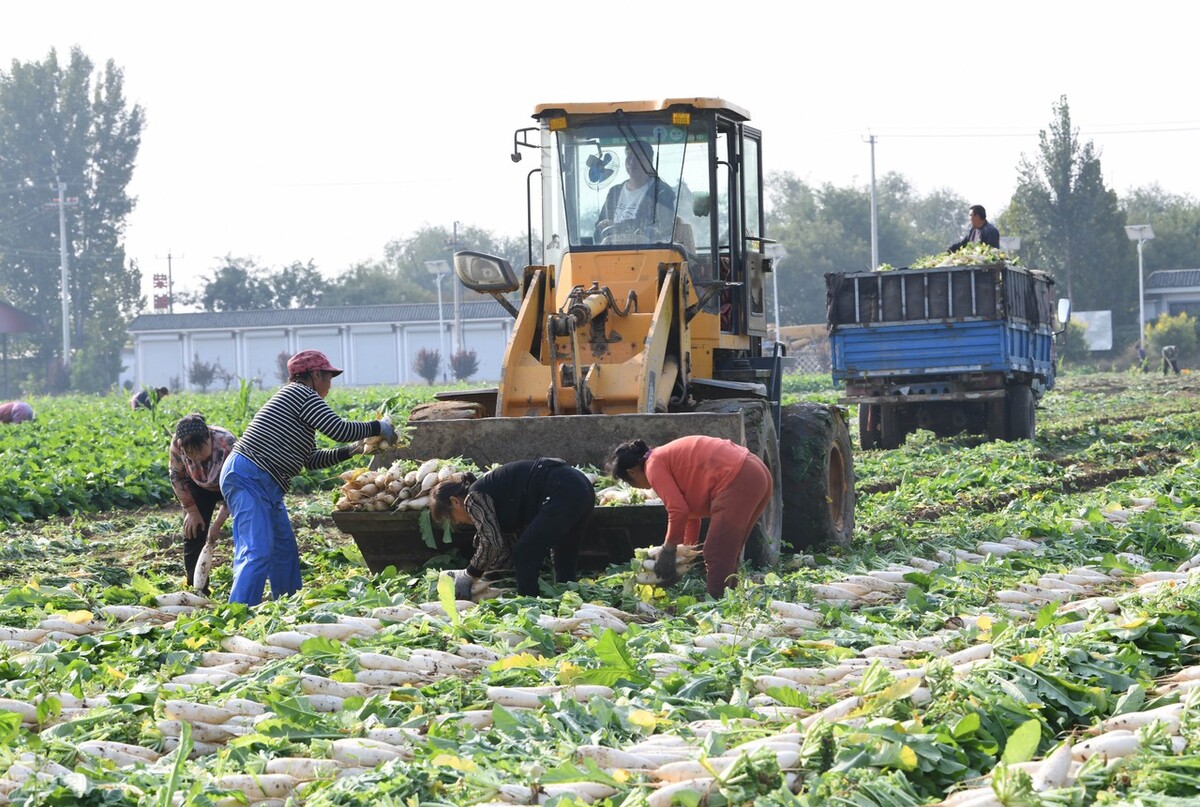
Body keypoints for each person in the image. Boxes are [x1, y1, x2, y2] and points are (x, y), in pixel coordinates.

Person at [219, 350, 396, 605]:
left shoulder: (298, 404)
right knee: (257, 550)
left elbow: (310, 459)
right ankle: (239, 611)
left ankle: (286, 606)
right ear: (314, 375)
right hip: (249, 476)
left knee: (284, 551)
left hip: (267, 483)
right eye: (328, 378)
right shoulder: (301, 393)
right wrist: (377, 427)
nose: (329, 385)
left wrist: (354, 449)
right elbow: (339, 429)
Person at [607, 435, 772, 599]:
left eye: (630, 483)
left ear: (632, 472)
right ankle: (731, 600)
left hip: (739, 476)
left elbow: (678, 511)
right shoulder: (661, 458)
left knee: (715, 552)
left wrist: (668, 550)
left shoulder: (653, 466)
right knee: (728, 552)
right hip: (755, 471)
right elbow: (690, 518)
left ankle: (716, 605)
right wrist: (684, 557)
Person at [430, 458, 595, 599]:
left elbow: (491, 542)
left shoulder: (474, 497)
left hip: (562, 487)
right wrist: (489, 578)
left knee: (525, 552)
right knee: (564, 553)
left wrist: (468, 575)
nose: (457, 522)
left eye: (451, 517)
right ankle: (569, 600)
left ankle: (529, 604)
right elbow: (504, 548)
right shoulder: (494, 494)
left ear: (455, 502)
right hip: (580, 486)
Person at [169, 413, 237, 594]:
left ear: (209, 438)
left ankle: (241, 584)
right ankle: (198, 591)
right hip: (198, 486)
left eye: (200, 451)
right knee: (193, 533)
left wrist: (217, 524)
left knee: (244, 532)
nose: (197, 458)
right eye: (190, 454)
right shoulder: (178, 444)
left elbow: (237, 488)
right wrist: (192, 511)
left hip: (228, 484)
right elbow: (176, 477)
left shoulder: (227, 444)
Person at [594, 140, 676, 243]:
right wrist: (603, 224)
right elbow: (598, 232)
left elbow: (665, 229)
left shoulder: (661, 192)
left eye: (638, 157)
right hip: (612, 254)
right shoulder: (614, 192)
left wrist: (618, 227)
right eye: (629, 157)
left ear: (650, 160)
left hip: (648, 254)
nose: (632, 162)